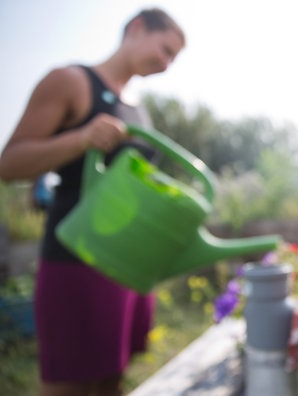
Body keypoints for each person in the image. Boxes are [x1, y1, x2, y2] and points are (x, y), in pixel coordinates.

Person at [0, 8, 185, 395]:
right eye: (165, 49)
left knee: (111, 378)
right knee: (70, 384)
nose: (167, 64)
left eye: (174, 58)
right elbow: (10, 163)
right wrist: (82, 138)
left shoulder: (138, 109)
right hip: (75, 259)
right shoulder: (70, 81)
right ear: (136, 28)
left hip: (125, 264)